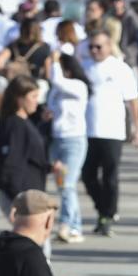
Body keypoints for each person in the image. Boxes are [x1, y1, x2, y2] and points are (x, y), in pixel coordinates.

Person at [80, 30, 138, 237]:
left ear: (109, 47)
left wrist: (137, 128)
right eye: (91, 47)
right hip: (86, 130)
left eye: (99, 47)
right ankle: (103, 208)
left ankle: (107, 215)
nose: (94, 51)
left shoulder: (120, 69)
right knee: (87, 175)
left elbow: (133, 100)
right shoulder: (83, 66)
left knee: (110, 176)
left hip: (112, 130)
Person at [0, 76, 56, 222]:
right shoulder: (15, 125)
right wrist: (17, 199)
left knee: (37, 242)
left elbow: (31, 156)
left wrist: (49, 167)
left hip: (30, 195)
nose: (36, 101)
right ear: (19, 99)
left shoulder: (25, 122)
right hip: (22, 197)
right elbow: (11, 164)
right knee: (34, 241)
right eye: (33, 96)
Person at [45, 53, 89, 244]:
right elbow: (52, 105)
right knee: (63, 186)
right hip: (57, 140)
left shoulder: (78, 86)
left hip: (74, 140)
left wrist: (54, 60)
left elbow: (58, 81)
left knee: (68, 185)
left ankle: (67, 225)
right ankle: (75, 225)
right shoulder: (55, 90)